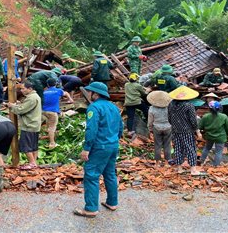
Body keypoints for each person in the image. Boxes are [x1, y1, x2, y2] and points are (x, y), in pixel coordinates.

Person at [73, 82, 123, 218]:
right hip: (113, 146)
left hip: (99, 147)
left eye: (90, 92)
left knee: (91, 175)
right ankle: (112, 203)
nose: (88, 94)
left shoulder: (93, 108)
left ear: (95, 94)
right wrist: (113, 140)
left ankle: (90, 209)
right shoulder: (114, 107)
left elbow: (91, 130)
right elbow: (120, 128)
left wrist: (86, 148)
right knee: (110, 174)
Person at [167, 86, 203, 176]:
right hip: (187, 131)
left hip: (175, 130)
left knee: (178, 148)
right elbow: (193, 120)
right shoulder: (189, 105)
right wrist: (197, 131)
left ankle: (179, 168)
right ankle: (193, 170)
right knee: (190, 148)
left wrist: (175, 125)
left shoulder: (171, 104)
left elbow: (169, 118)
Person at [8, 81, 42, 170]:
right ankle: (34, 162)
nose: (22, 90)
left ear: (30, 89)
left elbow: (21, 110)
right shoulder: (35, 96)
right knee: (33, 146)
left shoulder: (31, 98)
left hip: (29, 125)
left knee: (25, 145)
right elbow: (25, 107)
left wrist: (12, 106)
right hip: (34, 125)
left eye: (23, 88)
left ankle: (32, 163)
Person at [198, 101, 228, 167]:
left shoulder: (205, 116)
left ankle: (201, 161)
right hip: (220, 137)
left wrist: (203, 132)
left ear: (209, 108)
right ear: (219, 108)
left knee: (207, 148)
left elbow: (200, 127)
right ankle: (215, 166)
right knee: (219, 152)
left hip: (209, 136)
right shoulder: (224, 116)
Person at [43, 78, 74, 148]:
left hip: (44, 111)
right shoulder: (58, 91)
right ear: (55, 84)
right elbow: (66, 93)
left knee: (49, 123)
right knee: (52, 127)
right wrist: (70, 99)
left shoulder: (44, 92)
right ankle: (52, 143)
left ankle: (49, 136)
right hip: (52, 112)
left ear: (47, 85)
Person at [147, 91, 172, 163]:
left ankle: (157, 162)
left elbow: (150, 120)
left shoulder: (152, 108)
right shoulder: (169, 107)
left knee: (157, 145)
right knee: (167, 145)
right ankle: (168, 161)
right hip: (168, 127)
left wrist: (150, 128)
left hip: (157, 127)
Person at [124, 73, 149, 139]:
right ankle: (149, 123)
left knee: (130, 117)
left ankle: (129, 131)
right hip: (137, 102)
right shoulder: (138, 85)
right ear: (136, 79)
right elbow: (143, 93)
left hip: (128, 103)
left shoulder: (126, 85)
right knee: (146, 109)